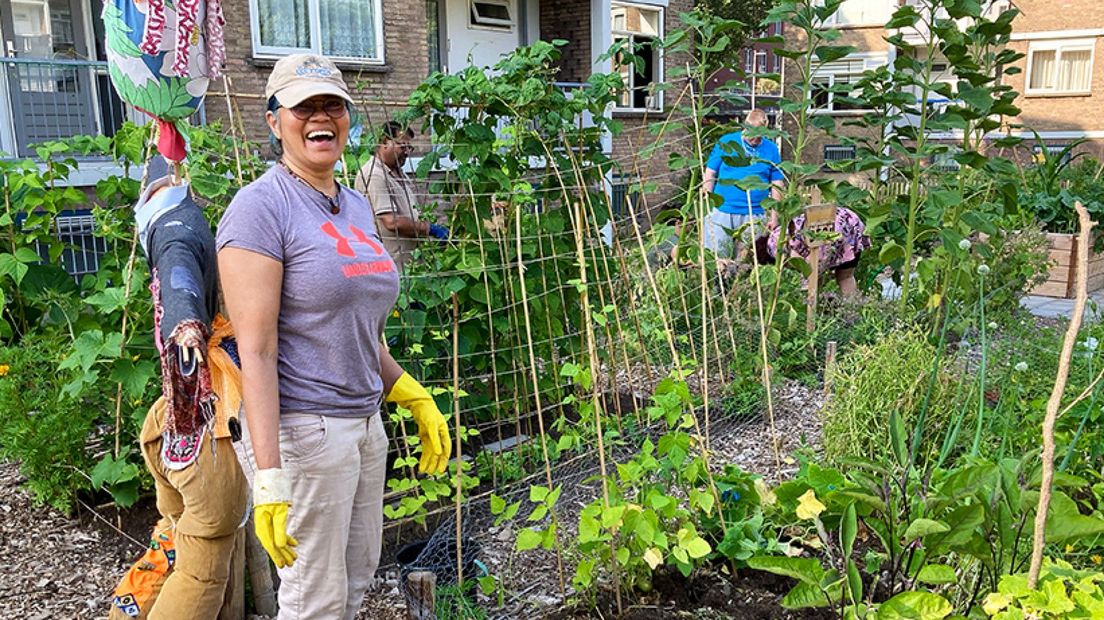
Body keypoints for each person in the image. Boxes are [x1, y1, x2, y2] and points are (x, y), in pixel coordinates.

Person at [216, 54, 451, 619]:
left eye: (332, 105)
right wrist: (270, 473)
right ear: (275, 121)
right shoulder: (259, 210)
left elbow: (358, 329)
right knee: (314, 599)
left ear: (347, 117)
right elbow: (257, 350)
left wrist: (409, 392)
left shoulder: (354, 205)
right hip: (303, 432)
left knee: (355, 581)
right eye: (303, 107)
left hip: (364, 425)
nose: (320, 118)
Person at [110, 155, 246, 620]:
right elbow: (180, 278)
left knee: (171, 536)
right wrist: (187, 324)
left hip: (167, 422)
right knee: (202, 569)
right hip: (205, 431)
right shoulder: (179, 229)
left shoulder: (170, 225)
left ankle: (126, 612)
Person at [354, 121, 448, 271]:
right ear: (385, 141)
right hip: (390, 266)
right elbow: (392, 222)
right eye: (402, 146)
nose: (406, 152)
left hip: (410, 264)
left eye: (409, 147)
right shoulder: (374, 174)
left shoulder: (399, 173)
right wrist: (429, 229)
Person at [701, 109, 785, 258]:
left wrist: (774, 216)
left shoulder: (771, 149)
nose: (754, 139)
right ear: (745, 126)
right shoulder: (727, 142)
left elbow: (777, 183)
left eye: (758, 135)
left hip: (755, 214)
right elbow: (710, 172)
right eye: (751, 134)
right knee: (718, 257)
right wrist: (708, 205)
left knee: (746, 260)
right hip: (722, 211)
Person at [767, 206, 871, 298]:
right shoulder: (779, 233)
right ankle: (852, 312)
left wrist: (806, 286)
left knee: (815, 278)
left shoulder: (775, 245)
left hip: (837, 228)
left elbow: (805, 267)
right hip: (850, 222)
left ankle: (816, 310)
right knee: (846, 277)